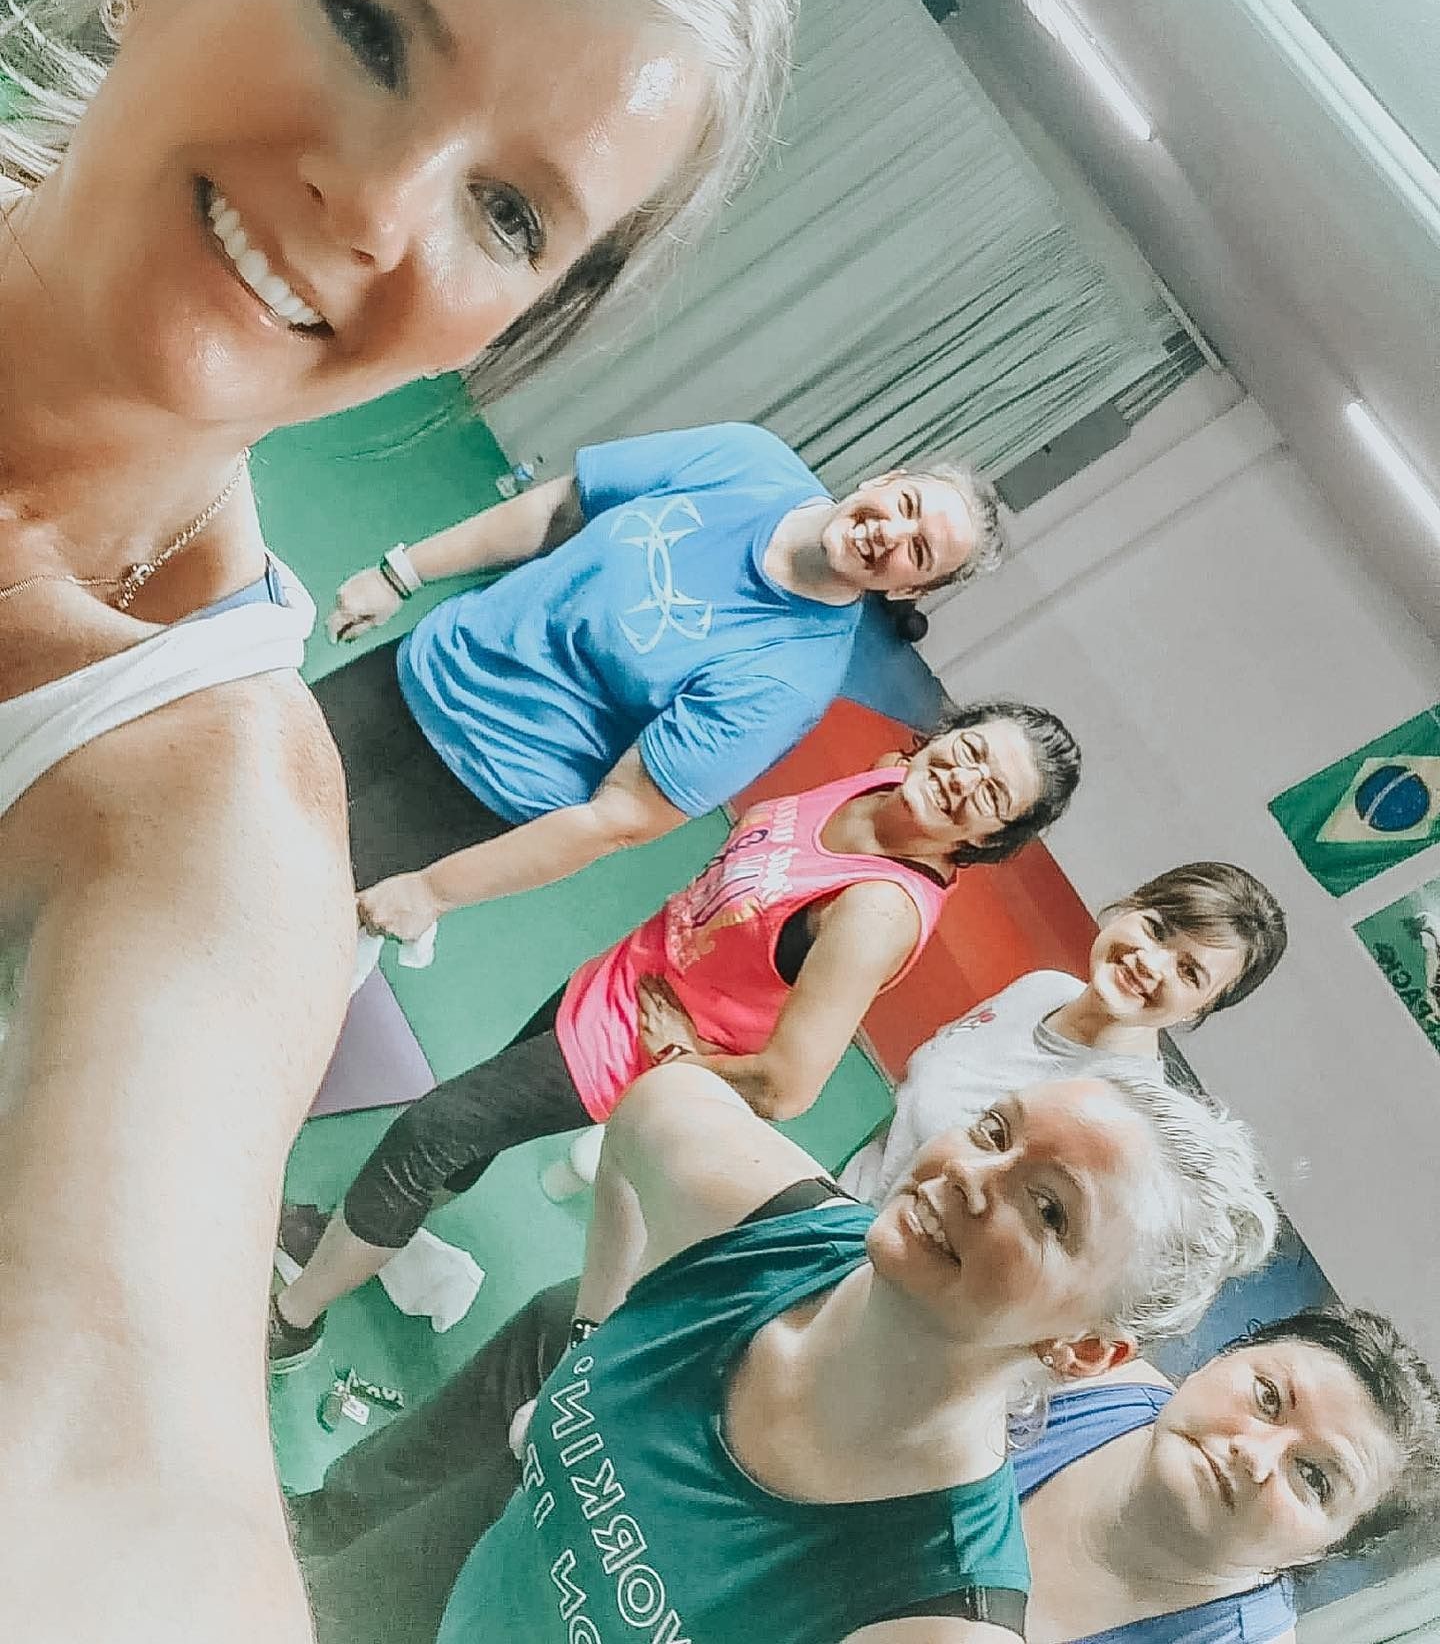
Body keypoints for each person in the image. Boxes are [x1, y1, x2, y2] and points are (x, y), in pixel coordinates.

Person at [0, 0, 794, 1639]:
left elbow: (128, 1461)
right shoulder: (696, 496)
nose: (378, 209)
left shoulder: (198, 801)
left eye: (508, 215)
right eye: (370, 31)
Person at [291, 1059, 1278, 1643]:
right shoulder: (766, 1223)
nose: (975, 1177)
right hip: (450, 1569)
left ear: (1086, 1349)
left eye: (1049, 1208)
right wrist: (592, 1331)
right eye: (994, 1131)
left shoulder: (931, 1609)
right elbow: (653, 1107)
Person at [270, 699, 1082, 1367]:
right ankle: (351, 1234)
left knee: (433, 1131)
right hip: (624, 976)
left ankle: (295, 1320)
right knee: (466, 1133)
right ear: (944, 735)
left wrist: (677, 1057)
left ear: (987, 840)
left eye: (993, 795)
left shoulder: (877, 910)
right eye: (972, 751)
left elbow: (789, 1086)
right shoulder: (882, 783)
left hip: (634, 1047)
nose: (964, 780)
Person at [319, 430, 1004, 945]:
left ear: (907, 590)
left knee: (287, 897)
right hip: (420, 668)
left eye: (918, 551)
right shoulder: (745, 460)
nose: (891, 532)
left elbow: (619, 820)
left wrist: (433, 890)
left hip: (480, 786)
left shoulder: (788, 681)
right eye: (906, 505)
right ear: (885, 479)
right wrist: (402, 573)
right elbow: (563, 506)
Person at [842, 861, 1288, 1203]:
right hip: (833, 1199)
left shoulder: (1119, 1114)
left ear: (1200, 1009)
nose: (1150, 964)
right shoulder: (1043, 988)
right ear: (1130, 907)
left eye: (1189, 972)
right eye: (1156, 930)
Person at [1012, 1304, 1440, 1643]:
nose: (1254, 1455)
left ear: (1322, 1551)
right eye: (1267, 1397)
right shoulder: (1078, 1373)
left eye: (1313, 1477)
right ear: (1218, 1359)